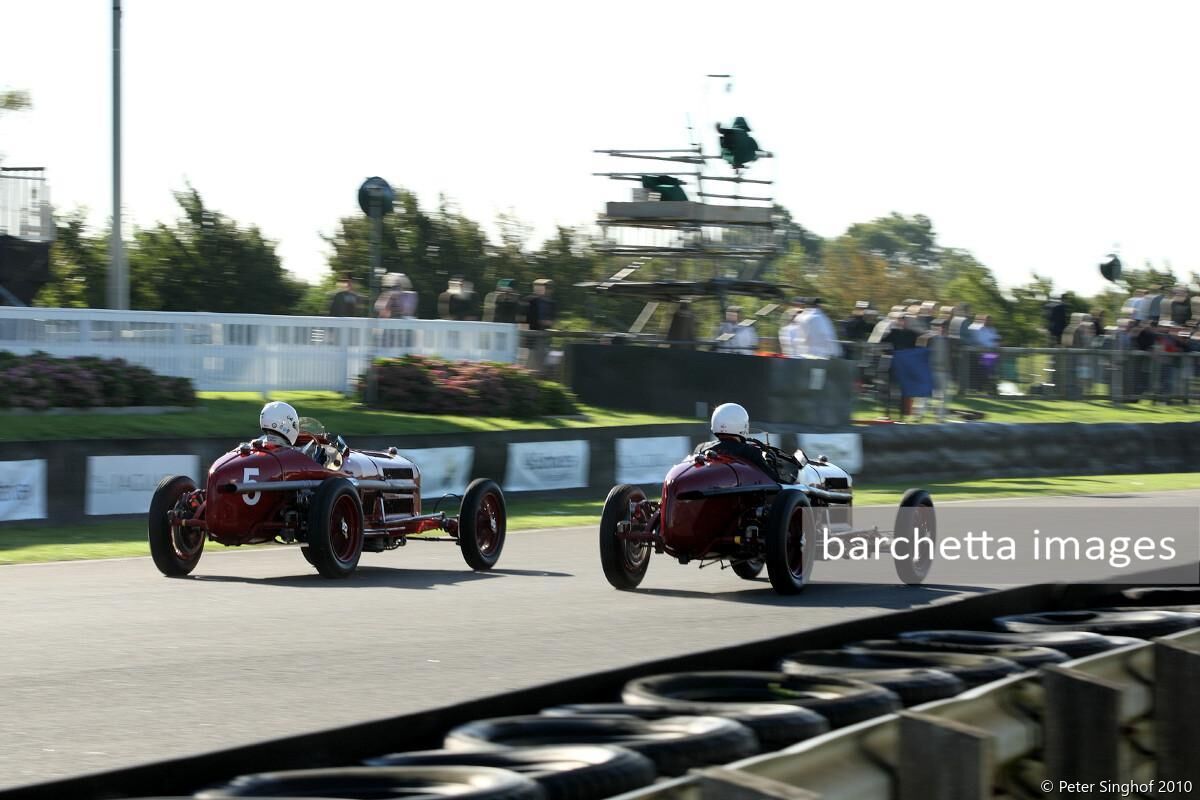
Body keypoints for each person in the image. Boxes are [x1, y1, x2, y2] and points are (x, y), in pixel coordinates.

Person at [693, 403, 799, 484]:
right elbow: (772, 479)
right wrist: (769, 461)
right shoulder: (750, 452)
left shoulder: (701, 448)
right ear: (743, 425)